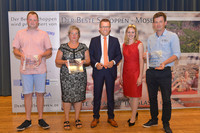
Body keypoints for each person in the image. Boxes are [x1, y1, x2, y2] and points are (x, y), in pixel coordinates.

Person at [12, 11, 52, 131]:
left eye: (35, 20)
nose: (32, 22)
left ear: (38, 21)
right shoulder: (20, 33)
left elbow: (49, 50)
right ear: (27, 21)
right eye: (30, 19)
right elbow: (15, 49)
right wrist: (21, 54)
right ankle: (28, 120)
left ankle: (40, 119)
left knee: (40, 94)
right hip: (26, 70)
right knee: (27, 94)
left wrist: (41, 55)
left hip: (40, 69)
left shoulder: (43, 34)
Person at [143, 12, 181, 133]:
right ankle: (154, 119)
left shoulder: (172, 36)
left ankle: (166, 123)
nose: (158, 24)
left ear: (165, 23)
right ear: (153, 24)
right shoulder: (150, 38)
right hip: (151, 72)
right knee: (152, 98)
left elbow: (176, 54)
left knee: (166, 99)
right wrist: (146, 56)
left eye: (160, 21)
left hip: (165, 72)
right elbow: (149, 55)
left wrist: (164, 63)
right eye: (156, 22)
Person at [55, 25, 90, 130]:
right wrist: (64, 62)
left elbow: (88, 61)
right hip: (66, 78)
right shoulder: (63, 47)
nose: (74, 35)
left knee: (78, 98)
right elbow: (57, 61)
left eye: (76, 33)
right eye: (72, 33)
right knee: (67, 98)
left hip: (80, 77)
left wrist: (83, 61)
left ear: (79, 35)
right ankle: (66, 119)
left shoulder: (83, 47)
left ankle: (77, 119)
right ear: (69, 35)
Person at [89, 19, 122, 128]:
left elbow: (119, 56)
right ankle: (96, 117)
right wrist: (96, 64)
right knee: (97, 95)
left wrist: (113, 62)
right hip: (98, 71)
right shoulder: (94, 40)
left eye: (107, 26)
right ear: (99, 28)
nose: (105, 29)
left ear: (110, 28)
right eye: (103, 26)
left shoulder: (115, 40)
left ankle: (111, 117)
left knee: (110, 95)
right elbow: (91, 56)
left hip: (110, 71)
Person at [120, 24, 144, 127]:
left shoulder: (139, 44)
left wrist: (140, 76)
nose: (130, 34)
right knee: (128, 95)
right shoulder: (124, 45)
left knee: (135, 96)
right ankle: (135, 111)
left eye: (132, 32)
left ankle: (133, 117)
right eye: (128, 32)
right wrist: (120, 75)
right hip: (126, 73)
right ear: (126, 33)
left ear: (135, 33)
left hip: (135, 73)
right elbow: (123, 61)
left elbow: (141, 61)